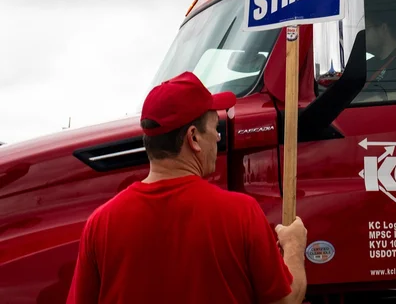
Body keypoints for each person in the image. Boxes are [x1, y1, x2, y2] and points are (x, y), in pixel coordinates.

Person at [66, 71, 307, 304]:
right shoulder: (241, 214)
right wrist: (294, 247)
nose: (219, 137)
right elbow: (285, 300)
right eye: (215, 128)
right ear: (193, 138)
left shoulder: (100, 225)